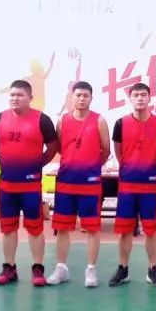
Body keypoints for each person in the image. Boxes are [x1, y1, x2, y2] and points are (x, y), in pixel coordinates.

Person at [0, 80, 59, 286]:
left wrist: (37, 164)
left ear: (30, 98)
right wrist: (9, 159)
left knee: (35, 228)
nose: (15, 98)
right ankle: (9, 268)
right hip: (7, 186)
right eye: (12, 95)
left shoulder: (42, 120)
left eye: (20, 95)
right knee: (7, 229)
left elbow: (53, 146)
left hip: (31, 187)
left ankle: (38, 269)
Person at [47, 81, 110, 287]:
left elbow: (106, 150)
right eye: (78, 95)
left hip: (90, 184)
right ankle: (61, 268)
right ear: (71, 97)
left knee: (92, 228)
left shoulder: (99, 120)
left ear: (91, 98)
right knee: (62, 228)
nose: (82, 99)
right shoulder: (62, 121)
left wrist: (91, 167)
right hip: (66, 182)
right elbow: (60, 147)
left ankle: (91, 270)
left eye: (85, 95)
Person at [108, 83, 156, 288]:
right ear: (130, 98)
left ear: (150, 98)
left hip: (150, 186)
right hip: (127, 186)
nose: (140, 98)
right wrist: (130, 167)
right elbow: (119, 151)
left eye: (143, 95)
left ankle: (153, 269)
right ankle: (123, 269)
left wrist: (148, 168)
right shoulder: (120, 123)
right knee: (125, 230)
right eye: (136, 95)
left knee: (151, 230)